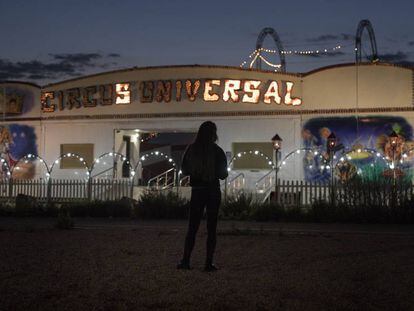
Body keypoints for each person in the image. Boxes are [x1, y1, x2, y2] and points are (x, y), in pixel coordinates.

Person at [177, 121, 228, 272]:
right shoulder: (218, 151)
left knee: (192, 227)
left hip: (197, 191)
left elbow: (184, 170)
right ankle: (208, 263)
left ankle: (186, 261)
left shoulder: (191, 149)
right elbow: (223, 174)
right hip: (213, 190)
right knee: (212, 228)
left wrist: (197, 171)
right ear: (214, 133)